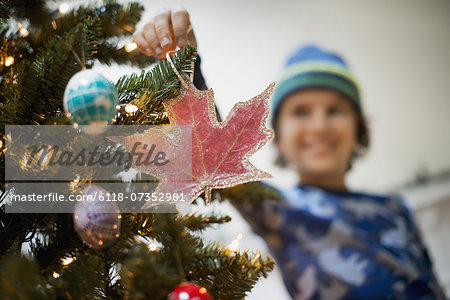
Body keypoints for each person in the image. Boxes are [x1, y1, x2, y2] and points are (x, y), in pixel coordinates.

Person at [133, 8, 446, 300]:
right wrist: (187, 62)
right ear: (277, 138)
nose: (319, 126)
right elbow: (214, 156)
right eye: (301, 112)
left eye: (335, 110)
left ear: (359, 129)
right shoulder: (281, 211)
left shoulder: (396, 209)